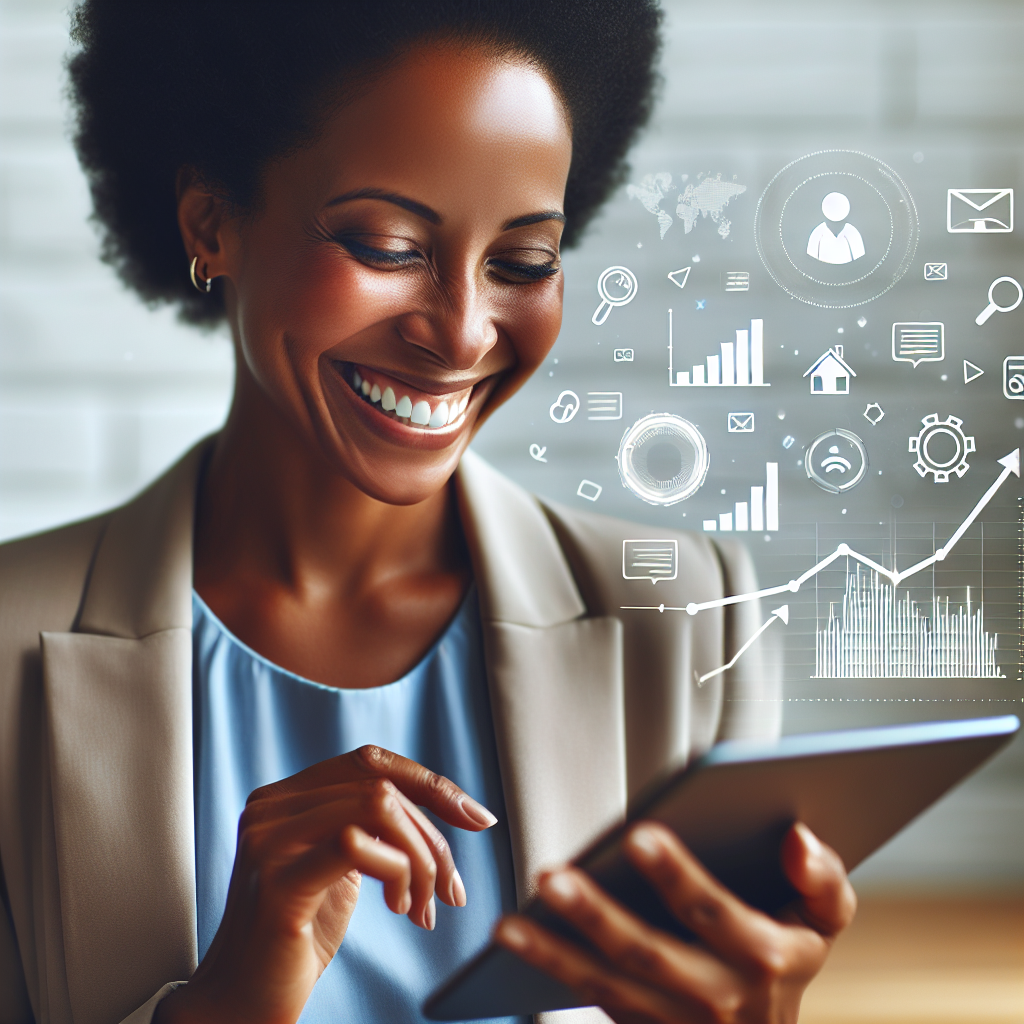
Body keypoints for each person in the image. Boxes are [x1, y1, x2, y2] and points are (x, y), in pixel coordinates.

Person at [0, 4, 856, 1023]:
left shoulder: (684, 619)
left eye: (523, 261)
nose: (459, 332)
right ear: (209, 224)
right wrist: (223, 1004)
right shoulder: (12, 645)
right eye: (387, 242)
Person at [806, 192, 865, 265]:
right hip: (823, 270)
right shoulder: (819, 231)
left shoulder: (850, 230)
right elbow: (811, 254)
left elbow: (859, 254)